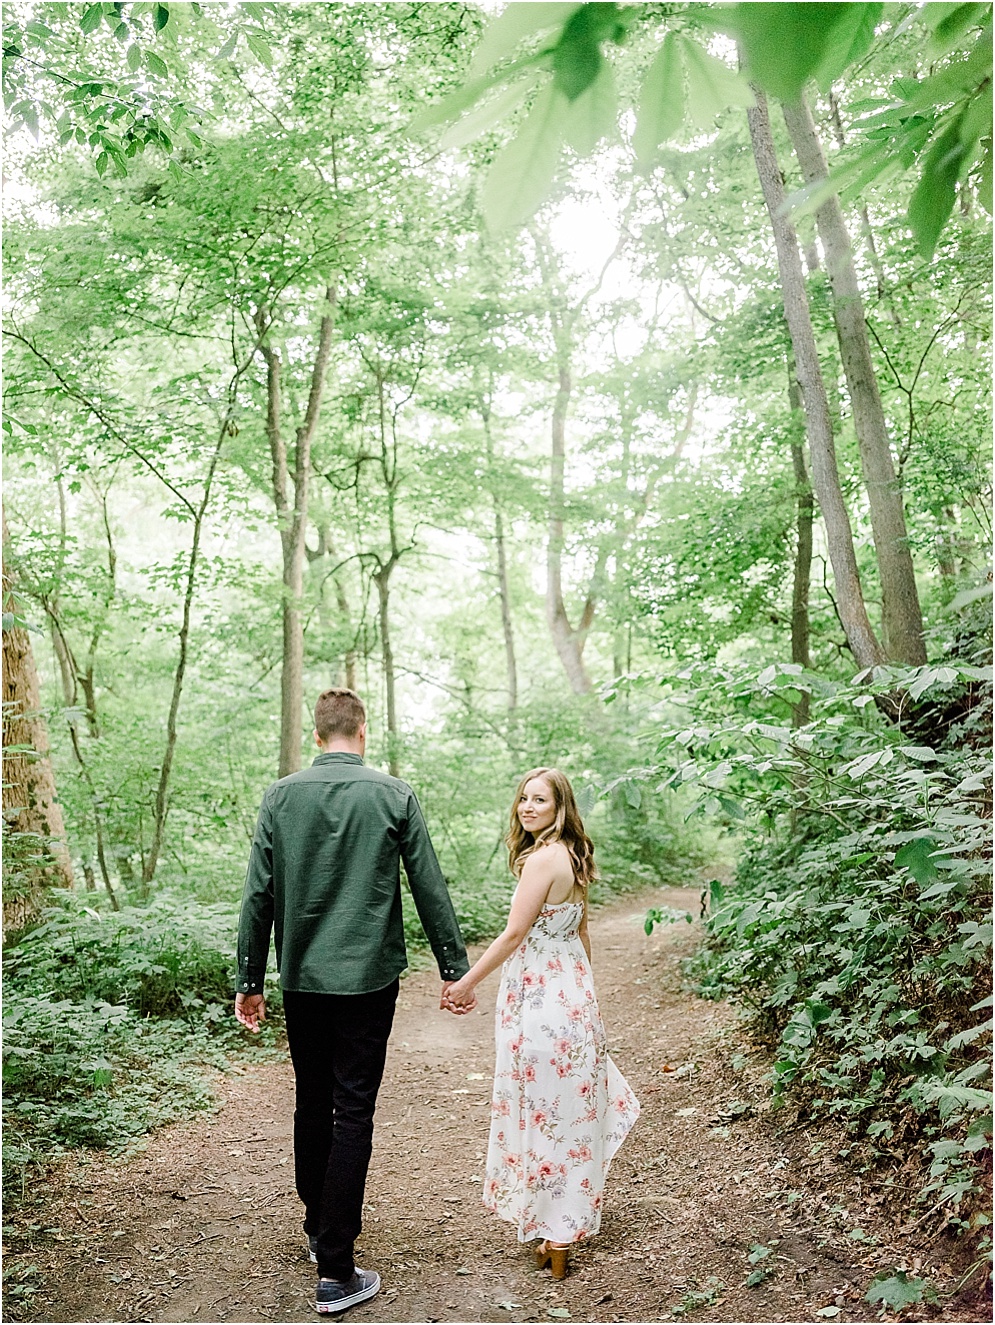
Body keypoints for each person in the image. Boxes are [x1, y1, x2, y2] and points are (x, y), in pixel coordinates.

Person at [235, 688, 473, 1315]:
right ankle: (336, 1269)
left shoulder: (281, 797)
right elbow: (429, 884)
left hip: (304, 978)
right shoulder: (393, 794)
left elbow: (258, 894)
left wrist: (249, 979)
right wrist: (455, 969)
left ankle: (320, 1229)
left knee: (311, 1102)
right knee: (353, 1110)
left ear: (318, 736)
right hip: (368, 977)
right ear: (361, 732)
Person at [442, 767, 639, 1278]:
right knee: (566, 1115)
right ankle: (560, 1226)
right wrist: (589, 1003)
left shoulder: (542, 860)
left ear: (560, 808)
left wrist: (465, 983)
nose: (528, 808)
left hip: (541, 1006)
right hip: (571, 999)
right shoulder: (571, 857)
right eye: (523, 799)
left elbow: (512, 936)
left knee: (546, 1113)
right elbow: (583, 933)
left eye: (540, 801)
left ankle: (557, 1231)